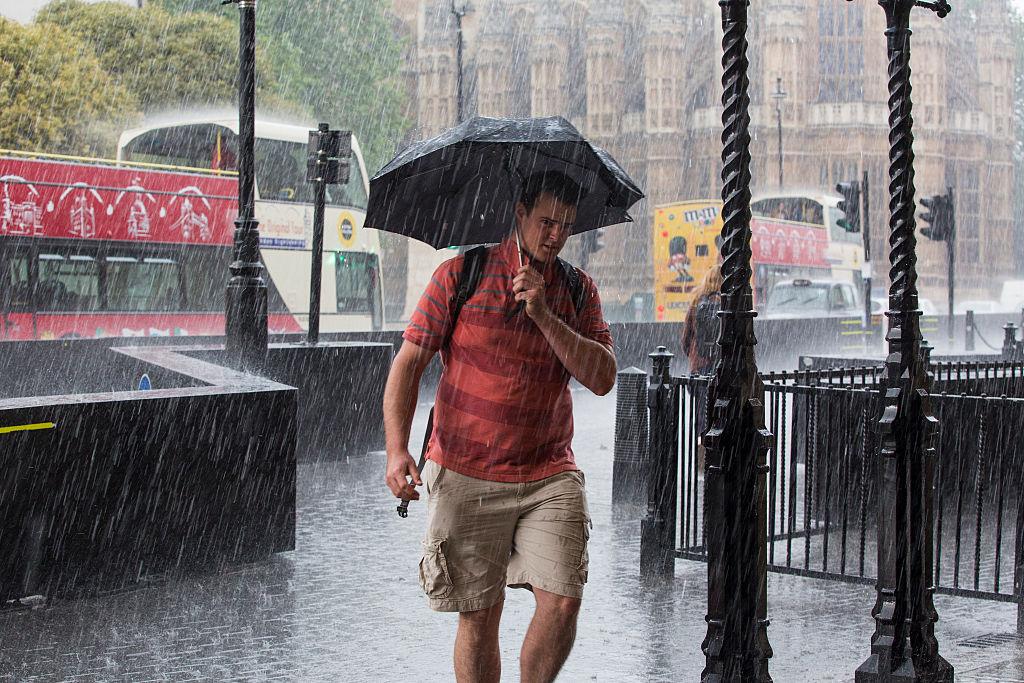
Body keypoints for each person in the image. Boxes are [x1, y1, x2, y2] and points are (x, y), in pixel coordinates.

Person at [383, 170, 616, 683]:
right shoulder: (460, 275)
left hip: (549, 472)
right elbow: (409, 364)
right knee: (479, 613)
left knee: (563, 601)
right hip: (467, 468)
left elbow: (602, 378)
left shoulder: (577, 290)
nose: (556, 235)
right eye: (546, 222)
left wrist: (545, 315)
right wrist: (397, 450)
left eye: (566, 225)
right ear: (520, 213)